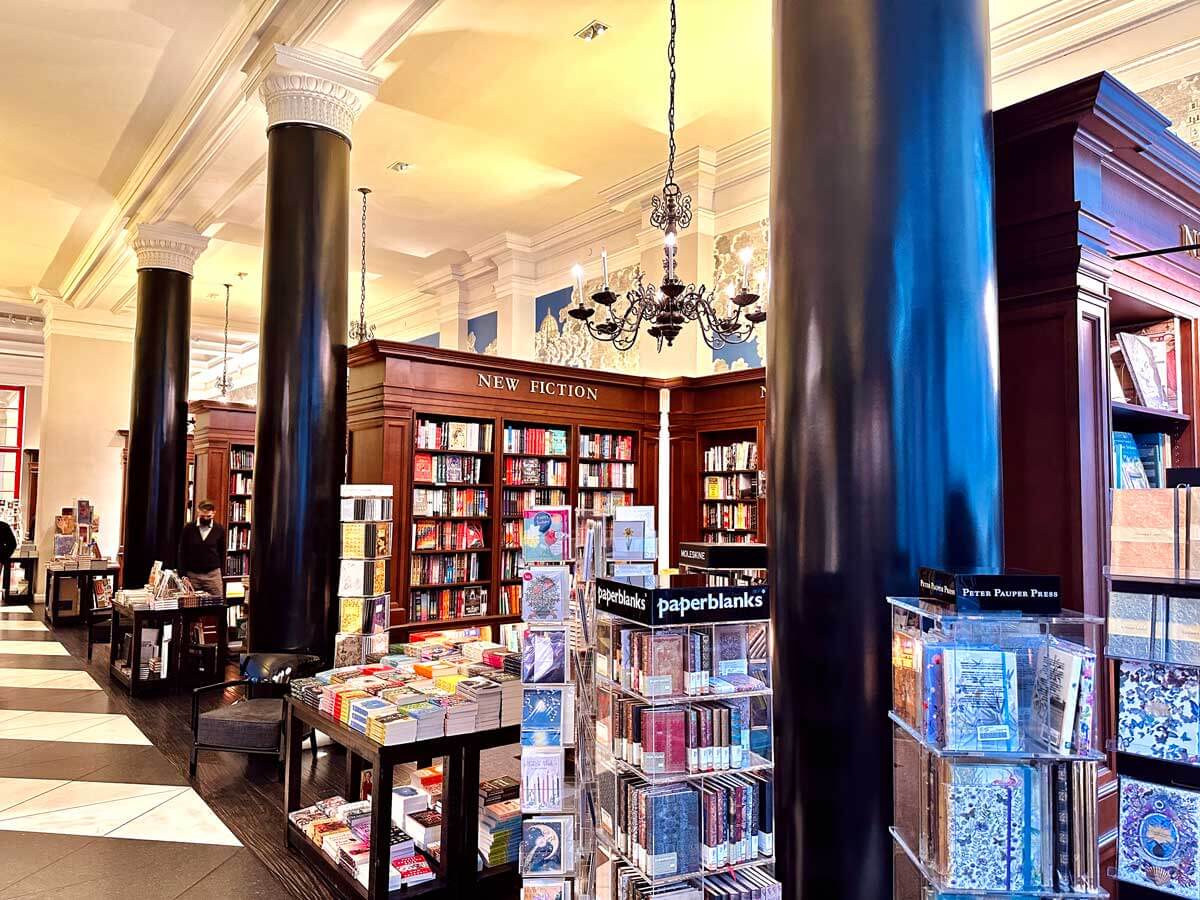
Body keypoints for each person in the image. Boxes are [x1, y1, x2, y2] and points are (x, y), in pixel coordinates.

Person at [178, 500, 226, 599]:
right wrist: (183, 575)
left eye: (208, 516)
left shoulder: (219, 529)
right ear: (198, 512)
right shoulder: (188, 529)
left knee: (217, 605)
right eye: (202, 516)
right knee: (191, 607)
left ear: (214, 513)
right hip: (192, 576)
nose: (205, 518)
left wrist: (221, 573)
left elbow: (222, 553)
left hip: (213, 575)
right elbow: (182, 553)